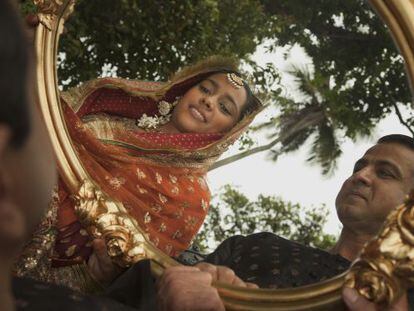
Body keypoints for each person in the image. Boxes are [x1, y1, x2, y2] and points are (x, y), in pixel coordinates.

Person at [156, 134, 414, 310]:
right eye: (359, 167)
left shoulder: (399, 299)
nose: (361, 176)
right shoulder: (254, 246)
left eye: (385, 173)